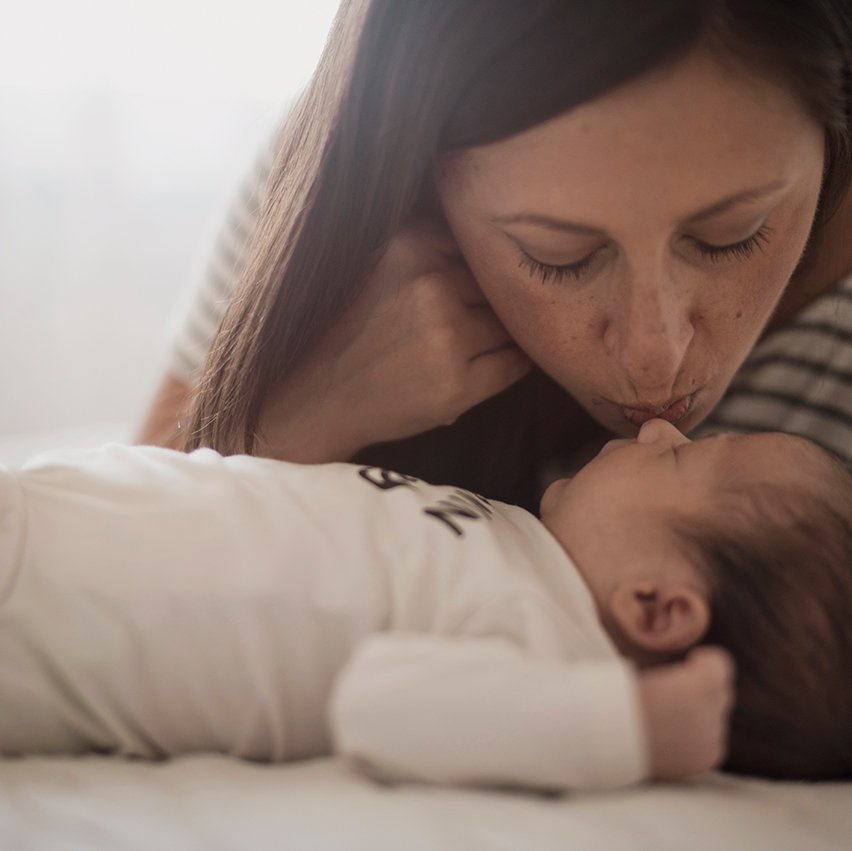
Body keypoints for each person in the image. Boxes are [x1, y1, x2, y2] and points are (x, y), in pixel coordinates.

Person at [138, 0, 852, 513]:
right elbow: (117, 550)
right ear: (426, 178)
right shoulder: (334, 180)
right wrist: (285, 427)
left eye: (736, 232)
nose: (654, 356)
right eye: (559, 254)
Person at [2, 420, 850, 789]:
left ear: (657, 608)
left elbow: (382, 709)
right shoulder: (523, 553)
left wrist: (624, 726)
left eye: (681, 461)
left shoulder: (542, 651)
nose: (667, 430)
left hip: (46, 610)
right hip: (59, 517)